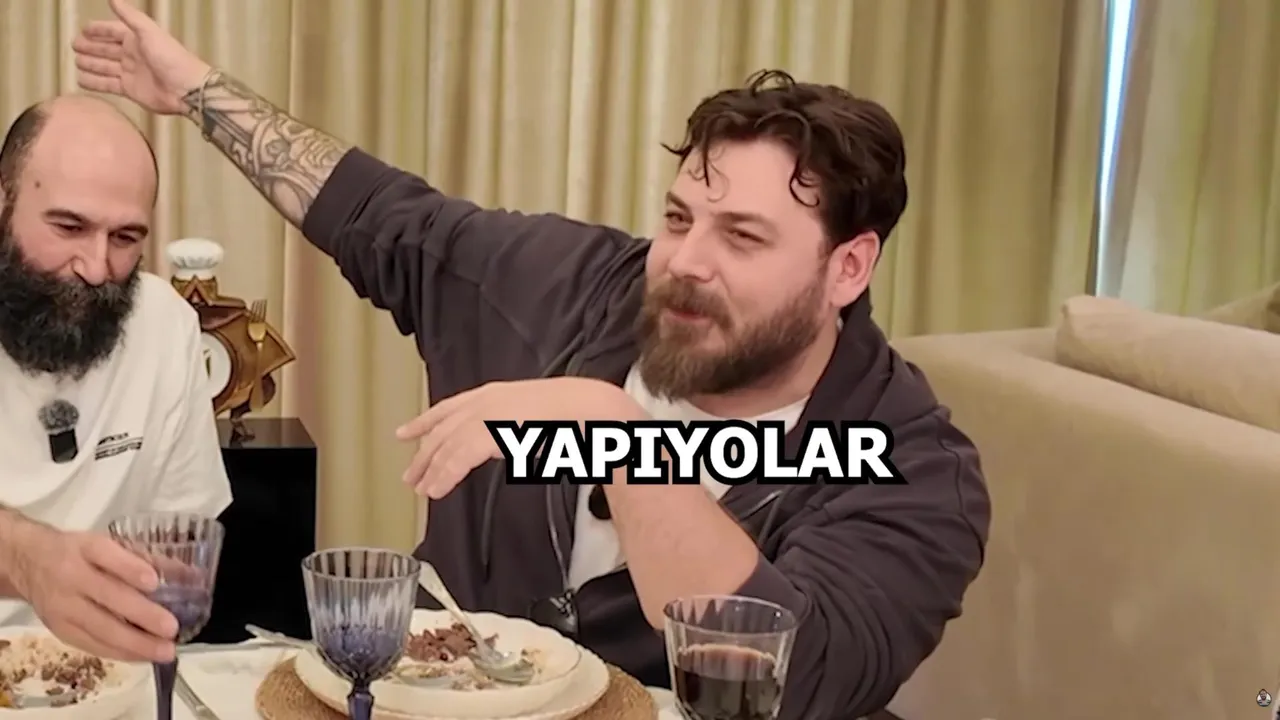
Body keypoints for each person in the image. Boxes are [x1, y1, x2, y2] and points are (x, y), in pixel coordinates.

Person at [73, 0, 990, 715]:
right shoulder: (570, 282)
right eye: (679, 218)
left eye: (743, 237)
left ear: (848, 267)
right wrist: (196, 91)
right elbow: (379, 215)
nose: (686, 262)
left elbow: (794, 679)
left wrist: (615, 431)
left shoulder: (913, 468)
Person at [0, 95, 232, 663]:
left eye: (125, 238)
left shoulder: (165, 323)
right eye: (69, 227)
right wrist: (24, 557)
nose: (96, 267)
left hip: (105, 670)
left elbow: (180, 540)